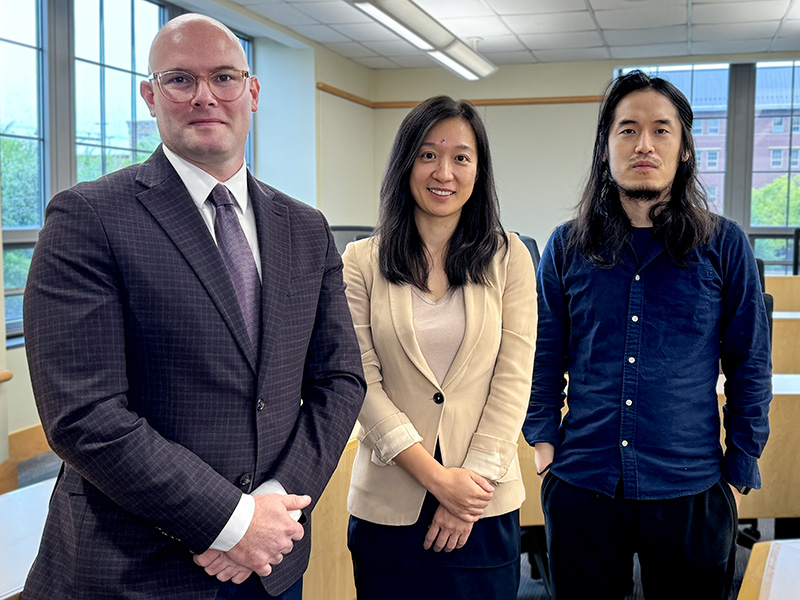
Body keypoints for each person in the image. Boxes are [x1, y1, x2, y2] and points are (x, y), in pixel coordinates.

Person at [21, 13, 365, 600]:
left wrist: (271, 512)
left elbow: (340, 379)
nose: (205, 96)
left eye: (225, 77)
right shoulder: (88, 218)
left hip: (270, 566)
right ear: (150, 97)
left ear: (252, 93)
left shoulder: (305, 229)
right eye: (180, 79)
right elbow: (84, 413)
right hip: (137, 568)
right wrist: (230, 522)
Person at [524, 70, 772, 599]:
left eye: (662, 130)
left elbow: (749, 361)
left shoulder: (724, 245)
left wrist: (741, 462)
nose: (644, 144)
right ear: (605, 146)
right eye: (628, 129)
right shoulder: (566, 246)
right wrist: (544, 444)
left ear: (683, 148)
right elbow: (541, 356)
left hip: (692, 487)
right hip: (583, 485)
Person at [342, 95, 537, 600]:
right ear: (406, 163)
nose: (443, 172)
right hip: (390, 503)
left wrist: (464, 489)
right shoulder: (361, 261)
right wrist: (435, 478)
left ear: (479, 170)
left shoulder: (510, 257)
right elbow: (358, 379)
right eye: (428, 154)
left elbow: (514, 378)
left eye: (461, 157)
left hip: (482, 504)